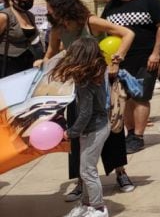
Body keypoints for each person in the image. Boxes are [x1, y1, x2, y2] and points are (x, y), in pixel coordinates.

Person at [42, 0, 137, 199]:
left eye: (50, 8)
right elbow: (51, 52)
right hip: (75, 82)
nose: (48, 11)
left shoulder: (91, 22)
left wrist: (116, 59)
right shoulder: (57, 28)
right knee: (77, 126)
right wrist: (43, 62)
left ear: (63, 8)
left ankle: (120, 172)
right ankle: (81, 180)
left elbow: (128, 34)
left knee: (111, 126)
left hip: (100, 80)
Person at [101, 0, 160, 155]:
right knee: (125, 97)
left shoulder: (149, 1)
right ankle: (130, 134)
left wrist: (156, 53)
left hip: (146, 58)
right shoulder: (112, 5)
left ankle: (138, 136)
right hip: (120, 60)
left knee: (141, 97)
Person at [52, 37, 112, 217]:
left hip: (95, 128)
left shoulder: (85, 81)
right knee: (85, 169)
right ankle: (87, 204)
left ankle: (98, 208)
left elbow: (85, 113)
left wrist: (71, 132)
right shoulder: (96, 73)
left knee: (88, 170)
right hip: (96, 126)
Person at [1, 0, 42, 76]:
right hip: (7, 63)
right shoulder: (4, 16)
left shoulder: (30, 15)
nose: (31, 0)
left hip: (27, 60)